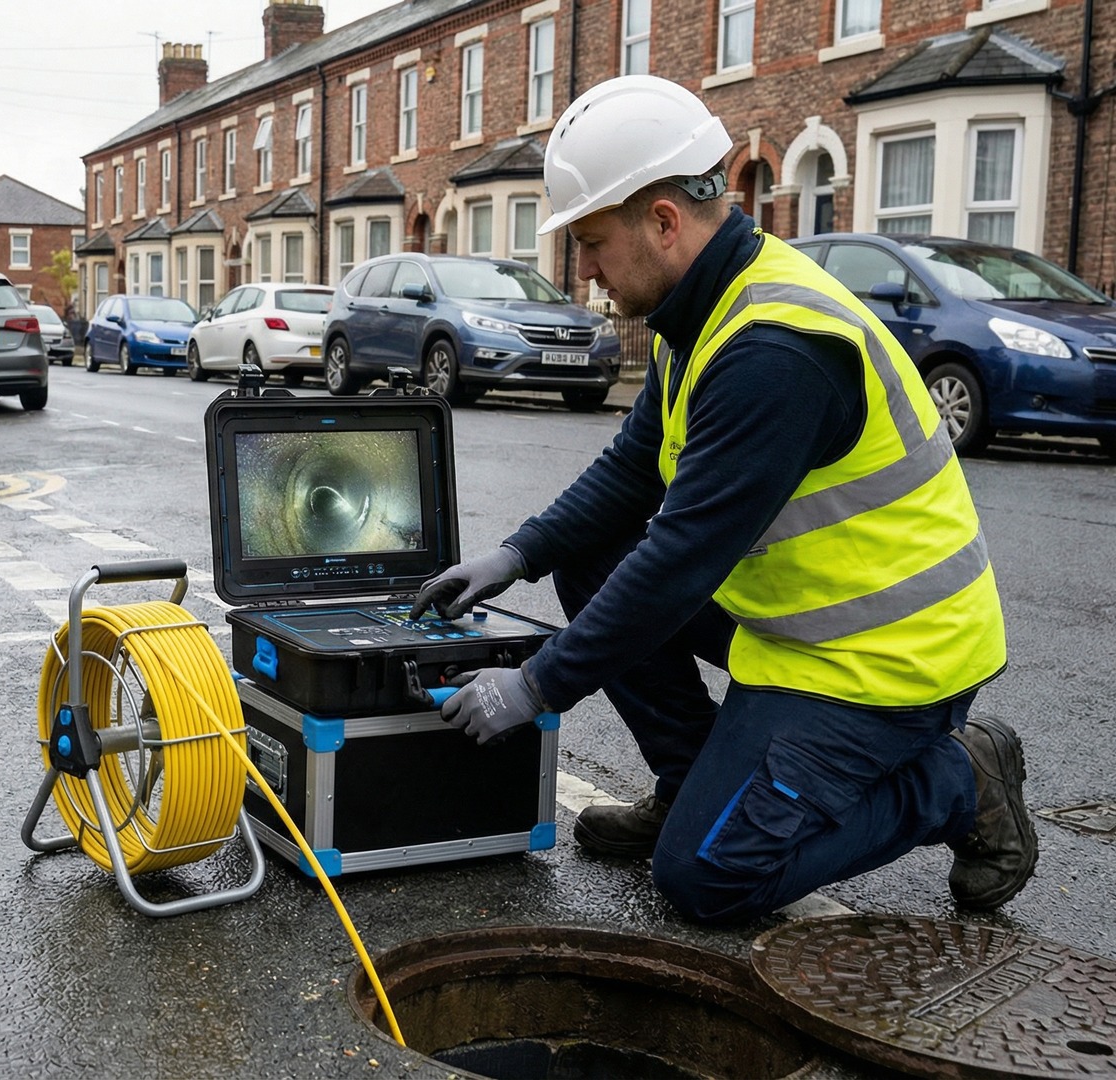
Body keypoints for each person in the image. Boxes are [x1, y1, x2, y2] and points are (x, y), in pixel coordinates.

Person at [411, 75, 1036, 923]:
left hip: (885, 661)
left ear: (664, 221)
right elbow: (632, 472)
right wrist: (516, 555)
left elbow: (679, 559)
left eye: (592, 241)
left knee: (708, 881)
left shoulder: (775, 352)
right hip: (801, 622)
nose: (583, 269)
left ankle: (960, 779)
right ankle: (692, 784)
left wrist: (535, 688)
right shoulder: (702, 309)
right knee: (591, 563)